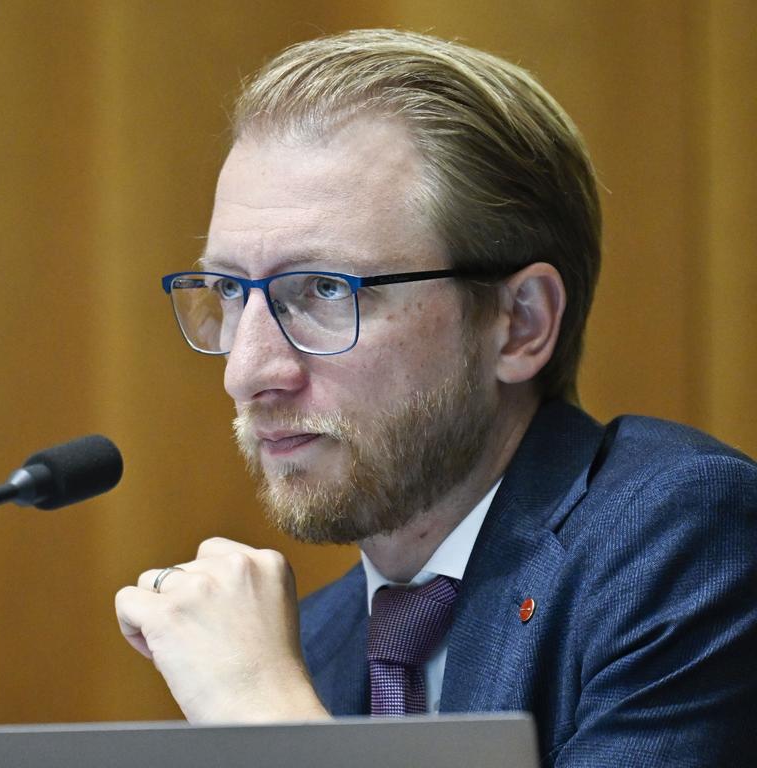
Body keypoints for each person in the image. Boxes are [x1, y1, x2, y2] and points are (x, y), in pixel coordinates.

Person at [114, 29, 757, 765]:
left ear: (519, 325)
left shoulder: (681, 542)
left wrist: (264, 720)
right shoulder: (319, 644)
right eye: (231, 290)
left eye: (325, 289)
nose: (249, 371)